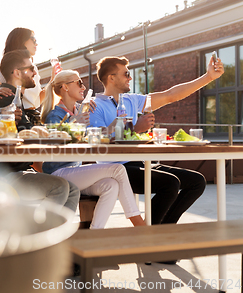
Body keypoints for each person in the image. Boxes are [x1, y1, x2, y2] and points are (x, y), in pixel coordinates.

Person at [89, 56, 224, 226]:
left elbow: (170, 96)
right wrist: (135, 128)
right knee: (170, 184)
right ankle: (149, 234)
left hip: (140, 162)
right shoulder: (95, 106)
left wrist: (209, 77)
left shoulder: (132, 100)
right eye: (126, 74)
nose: (130, 77)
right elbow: (97, 141)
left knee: (197, 181)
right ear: (111, 78)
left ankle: (160, 230)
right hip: (116, 168)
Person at [40, 70, 145, 229]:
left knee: (111, 185)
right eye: (79, 83)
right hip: (58, 173)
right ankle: (139, 224)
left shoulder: (80, 111)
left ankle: (95, 233)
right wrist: (73, 123)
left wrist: (111, 127)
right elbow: (55, 146)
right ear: (65, 87)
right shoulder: (55, 115)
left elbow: (88, 139)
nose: (83, 87)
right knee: (118, 169)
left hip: (74, 171)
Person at [0, 49, 80, 212]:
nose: (35, 72)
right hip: (5, 175)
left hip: (20, 170)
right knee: (60, 188)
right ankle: (39, 232)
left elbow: (29, 133)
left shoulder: (15, 98)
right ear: (17, 72)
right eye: (30, 68)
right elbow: (20, 136)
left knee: (72, 190)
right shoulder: (7, 98)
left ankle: (54, 233)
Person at [0, 28, 57, 123]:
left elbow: (36, 100)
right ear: (21, 40)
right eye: (33, 40)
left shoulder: (34, 70)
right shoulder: (0, 69)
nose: (36, 44)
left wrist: (53, 80)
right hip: (16, 118)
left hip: (33, 117)